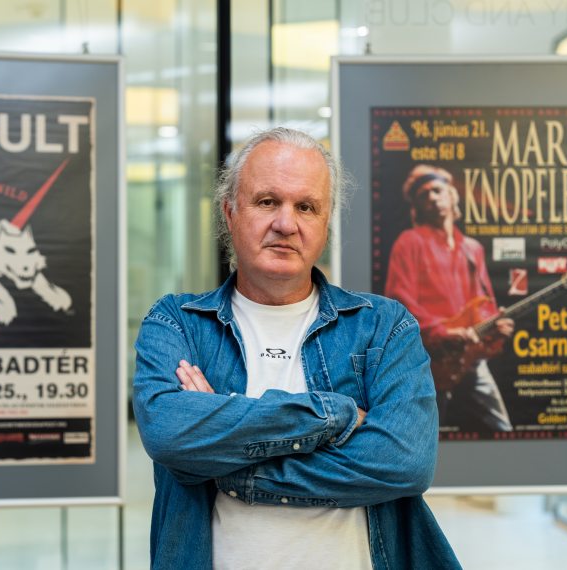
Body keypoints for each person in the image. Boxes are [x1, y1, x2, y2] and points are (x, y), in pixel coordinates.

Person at [133, 128, 460, 569]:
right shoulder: (178, 323)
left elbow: (405, 462)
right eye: (268, 201)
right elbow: (169, 433)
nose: (286, 224)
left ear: (325, 223)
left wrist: (228, 461)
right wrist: (333, 415)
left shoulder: (383, 327)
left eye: (306, 207)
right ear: (230, 212)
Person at [384, 164, 513, 433]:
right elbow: (399, 303)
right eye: (423, 195)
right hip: (429, 360)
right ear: (417, 207)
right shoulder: (409, 242)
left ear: (452, 195)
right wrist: (442, 332)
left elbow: (483, 303)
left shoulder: (472, 249)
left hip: (469, 358)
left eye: (437, 190)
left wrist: (495, 326)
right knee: (422, 436)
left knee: (503, 430)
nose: (432, 197)